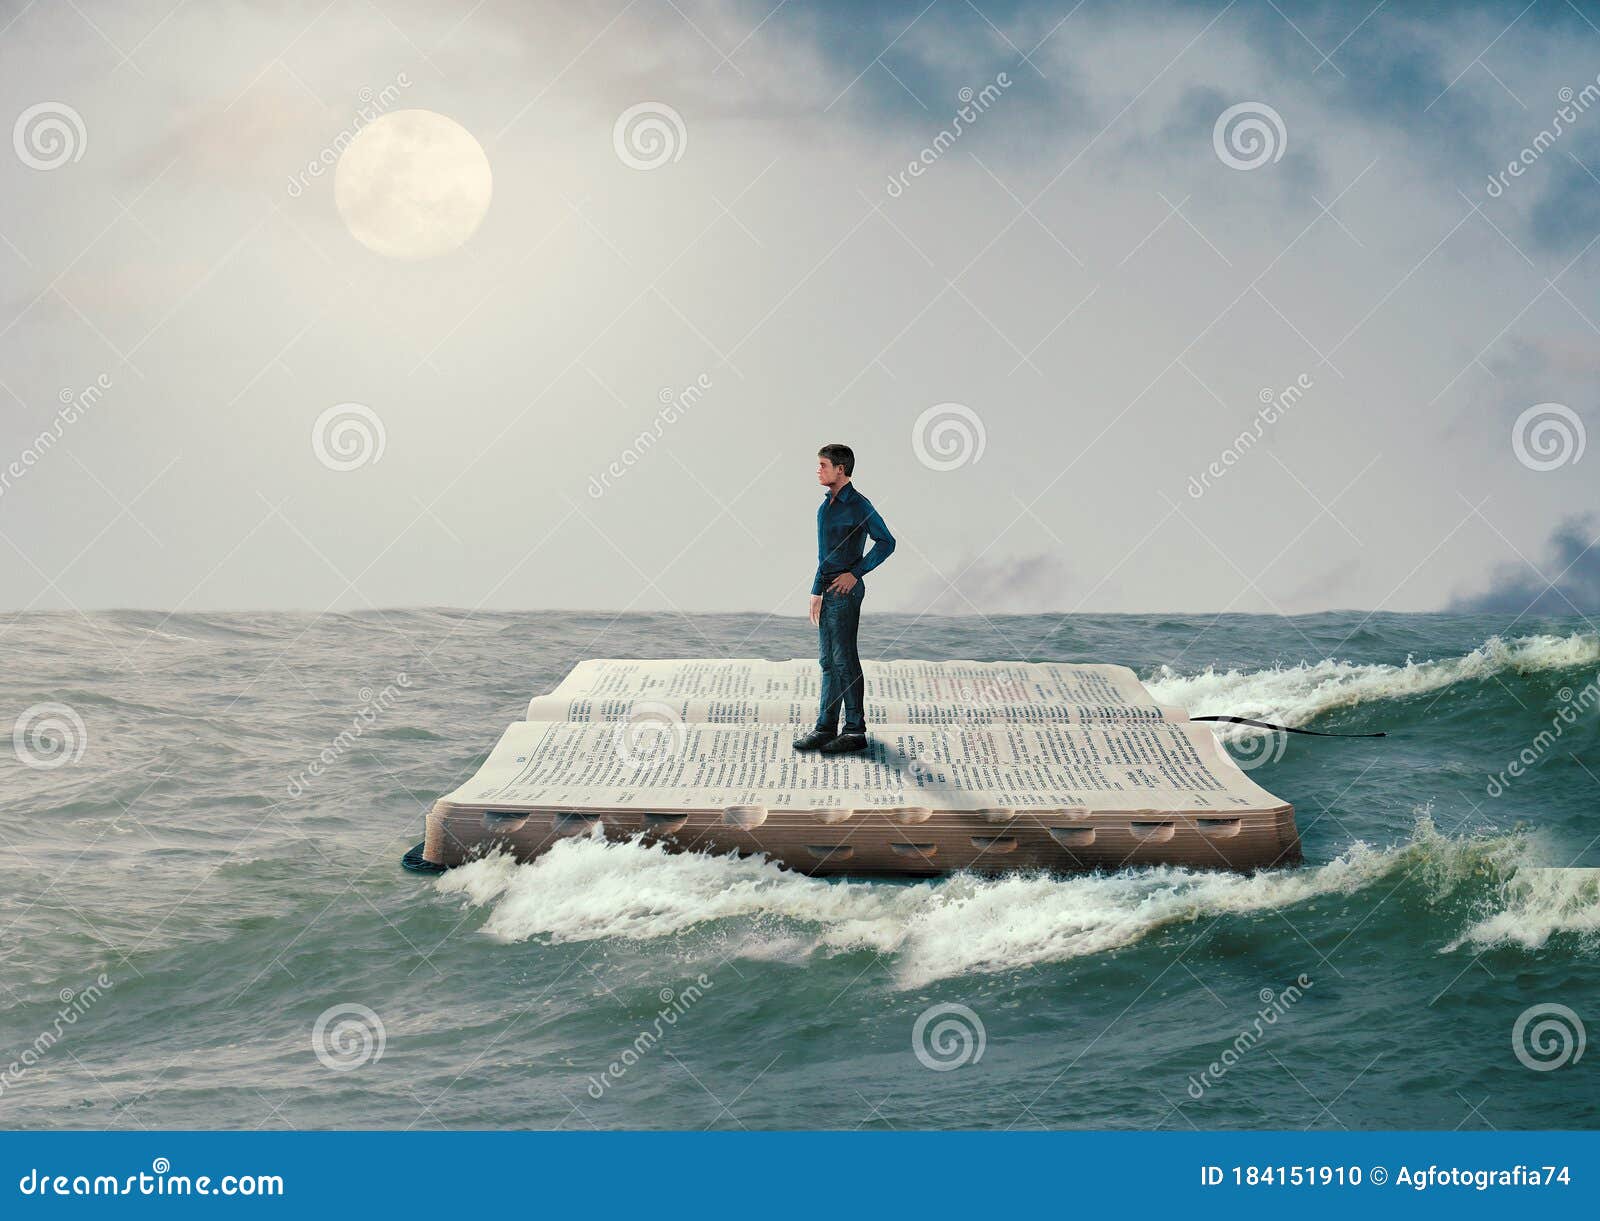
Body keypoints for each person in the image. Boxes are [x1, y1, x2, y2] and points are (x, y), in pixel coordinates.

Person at [793, 444, 896, 755]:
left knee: (844, 660)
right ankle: (826, 727)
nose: (818, 470)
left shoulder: (860, 505)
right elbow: (824, 557)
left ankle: (854, 730)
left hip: (846, 592)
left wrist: (856, 573)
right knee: (827, 662)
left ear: (841, 469)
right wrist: (815, 591)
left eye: (823, 465)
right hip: (826, 591)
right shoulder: (824, 508)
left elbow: (886, 542)